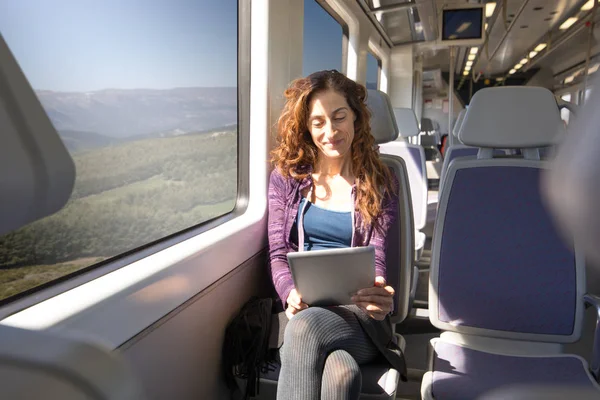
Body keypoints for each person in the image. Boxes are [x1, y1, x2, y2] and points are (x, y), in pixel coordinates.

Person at [267, 69, 405, 400]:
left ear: (356, 119)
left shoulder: (380, 182)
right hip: (303, 310)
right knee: (341, 375)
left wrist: (378, 290)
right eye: (318, 122)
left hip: (358, 318)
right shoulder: (285, 180)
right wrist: (289, 293)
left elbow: (377, 255)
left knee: (306, 330)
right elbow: (278, 254)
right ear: (307, 127)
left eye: (339, 117)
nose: (330, 131)